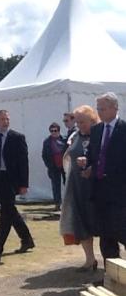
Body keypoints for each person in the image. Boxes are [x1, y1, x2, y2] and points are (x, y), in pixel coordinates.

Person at [78, 92, 126, 269]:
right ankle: (110, 275)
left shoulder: (123, 129)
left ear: (115, 108)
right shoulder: (97, 130)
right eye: (98, 109)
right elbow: (93, 155)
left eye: (103, 109)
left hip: (120, 193)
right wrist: (87, 163)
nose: (100, 112)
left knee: (122, 231)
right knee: (106, 237)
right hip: (99, 192)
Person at [0, 110, 35, 261]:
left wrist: (24, 184)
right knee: (10, 211)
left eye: (7, 119)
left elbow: (23, 162)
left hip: (11, 179)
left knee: (6, 212)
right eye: (2, 119)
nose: (6, 122)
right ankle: (27, 239)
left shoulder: (17, 137)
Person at [60, 105, 99, 271]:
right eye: (78, 122)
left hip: (96, 186)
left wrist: (91, 165)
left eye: (83, 122)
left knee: (101, 222)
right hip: (77, 185)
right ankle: (90, 260)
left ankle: (111, 259)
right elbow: (68, 154)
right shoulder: (75, 136)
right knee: (81, 222)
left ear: (92, 119)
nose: (80, 125)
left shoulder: (100, 135)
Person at [41, 122, 66, 210]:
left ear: (59, 131)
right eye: (51, 131)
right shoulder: (47, 141)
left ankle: (68, 202)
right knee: (55, 185)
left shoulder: (65, 139)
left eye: (55, 130)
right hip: (53, 166)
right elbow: (44, 155)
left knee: (67, 184)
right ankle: (57, 203)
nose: (53, 132)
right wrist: (49, 165)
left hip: (64, 165)